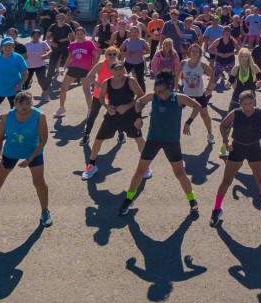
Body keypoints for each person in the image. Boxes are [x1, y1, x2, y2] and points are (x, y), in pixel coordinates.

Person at [116, 71, 201, 216]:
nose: (160, 94)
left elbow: (197, 106)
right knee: (140, 171)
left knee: (180, 173)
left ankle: (192, 200)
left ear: (170, 87)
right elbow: (138, 102)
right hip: (153, 139)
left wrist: (188, 122)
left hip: (171, 141)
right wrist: (138, 117)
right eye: (157, 91)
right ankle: (128, 199)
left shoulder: (179, 98)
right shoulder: (153, 96)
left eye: (162, 91)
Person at [0, 91, 51, 232]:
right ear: (14, 104)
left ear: (32, 103)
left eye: (28, 103)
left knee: (39, 182)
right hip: (10, 152)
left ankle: (45, 212)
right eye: (21, 103)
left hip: (33, 152)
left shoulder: (40, 116)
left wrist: (30, 159)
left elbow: (43, 140)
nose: (25, 106)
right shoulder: (6, 117)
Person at [211, 90, 261, 227]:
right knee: (226, 180)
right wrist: (225, 141)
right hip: (237, 148)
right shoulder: (236, 113)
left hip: (254, 148)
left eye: (250, 103)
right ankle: (216, 210)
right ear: (240, 104)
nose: (248, 106)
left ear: (254, 102)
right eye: (245, 104)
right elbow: (223, 125)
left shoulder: (260, 113)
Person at [80, 61, 148, 181]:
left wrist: (127, 106)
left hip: (130, 115)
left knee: (139, 140)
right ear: (111, 71)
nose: (118, 71)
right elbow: (101, 97)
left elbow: (141, 96)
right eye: (115, 69)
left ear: (124, 70)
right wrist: (107, 107)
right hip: (112, 115)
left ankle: (146, 167)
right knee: (98, 140)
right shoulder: (107, 82)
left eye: (120, 68)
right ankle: (91, 165)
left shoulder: (131, 81)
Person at [0, 37, 28, 144]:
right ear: (1, 47)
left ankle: (15, 133)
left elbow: (25, 73)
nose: (8, 47)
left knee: (17, 112)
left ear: (13, 47)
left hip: (14, 90)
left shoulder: (18, 58)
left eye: (10, 45)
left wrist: (19, 85)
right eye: (5, 45)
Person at [179, 43, 217, 143]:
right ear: (189, 52)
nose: (195, 53)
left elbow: (212, 74)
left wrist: (208, 89)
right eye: (193, 51)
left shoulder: (202, 64)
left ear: (200, 53)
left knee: (204, 115)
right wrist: (175, 87)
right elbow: (177, 74)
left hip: (199, 93)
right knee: (175, 111)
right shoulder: (183, 63)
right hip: (186, 93)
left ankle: (210, 134)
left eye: (197, 51)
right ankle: (172, 134)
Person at [53, 27, 95, 117]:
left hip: (85, 70)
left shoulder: (89, 43)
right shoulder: (72, 44)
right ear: (75, 35)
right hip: (73, 69)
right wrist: (64, 68)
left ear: (84, 34)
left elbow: (95, 56)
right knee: (63, 89)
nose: (80, 36)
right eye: (78, 34)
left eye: (81, 34)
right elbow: (69, 57)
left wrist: (93, 69)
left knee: (87, 91)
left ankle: (90, 110)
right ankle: (61, 108)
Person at [45, 13, 74, 86]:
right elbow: (47, 37)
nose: (61, 20)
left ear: (65, 20)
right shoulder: (53, 26)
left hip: (65, 45)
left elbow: (72, 36)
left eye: (62, 18)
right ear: (57, 19)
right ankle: (48, 79)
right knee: (52, 62)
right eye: (59, 18)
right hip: (56, 45)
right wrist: (52, 43)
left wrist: (65, 39)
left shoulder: (67, 26)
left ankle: (75, 76)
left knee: (69, 61)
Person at [23, 29, 51, 99]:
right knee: (26, 81)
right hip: (29, 66)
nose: (36, 37)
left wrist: (45, 55)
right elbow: (23, 54)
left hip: (40, 66)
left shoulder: (43, 43)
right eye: (34, 36)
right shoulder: (27, 44)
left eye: (38, 36)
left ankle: (46, 95)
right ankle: (24, 96)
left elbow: (50, 50)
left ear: (40, 36)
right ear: (31, 36)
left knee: (42, 81)